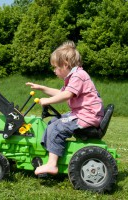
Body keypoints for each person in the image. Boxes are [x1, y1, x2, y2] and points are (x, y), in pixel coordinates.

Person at [26, 41, 104, 176]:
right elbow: (61, 93)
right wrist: (42, 88)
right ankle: (51, 154)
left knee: (58, 128)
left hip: (87, 116)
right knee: (53, 121)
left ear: (65, 65)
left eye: (55, 67)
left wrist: (47, 101)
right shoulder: (74, 76)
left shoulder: (79, 76)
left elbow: (67, 95)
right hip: (81, 114)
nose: (54, 71)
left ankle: (52, 165)